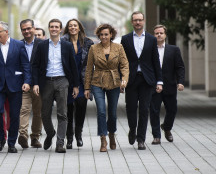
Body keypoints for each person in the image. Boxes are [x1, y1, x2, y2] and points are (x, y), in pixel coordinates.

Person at [32, 19, 79, 153]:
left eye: (56, 27)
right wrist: (35, 83)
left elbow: (73, 66)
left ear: (60, 29)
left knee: (62, 113)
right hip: (46, 82)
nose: (53, 29)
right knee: (45, 113)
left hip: (62, 81)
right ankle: (50, 132)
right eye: (51, 27)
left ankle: (60, 142)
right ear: (49, 28)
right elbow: (35, 65)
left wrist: (75, 85)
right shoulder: (41, 46)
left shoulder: (67, 45)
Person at [0, 21, 31, 153]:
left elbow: (26, 65)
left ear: (6, 32)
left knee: (14, 115)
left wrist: (27, 81)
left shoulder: (19, 44)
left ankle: (12, 142)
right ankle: (0, 140)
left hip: (15, 85)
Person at [120, 11, 163, 150]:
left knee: (144, 109)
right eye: (135, 20)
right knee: (131, 108)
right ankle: (132, 129)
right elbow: (122, 61)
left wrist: (159, 81)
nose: (138, 22)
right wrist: (121, 80)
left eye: (140, 20)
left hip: (147, 80)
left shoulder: (151, 39)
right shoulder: (125, 39)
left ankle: (141, 139)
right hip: (131, 79)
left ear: (143, 21)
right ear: (132, 22)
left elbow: (156, 61)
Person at [84, 24, 129, 152]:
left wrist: (124, 80)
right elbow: (88, 69)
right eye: (101, 35)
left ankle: (112, 134)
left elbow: (125, 65)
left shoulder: (118, 48)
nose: (103, 37)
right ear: (99, 35)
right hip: (97, 81)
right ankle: (103, 138)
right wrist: (87, 88)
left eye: (106, 34)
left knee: (113, 113)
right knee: (101, 111)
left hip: (114, 82)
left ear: (111, 35)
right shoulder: (93, 48)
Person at [150, 24, 185, 144]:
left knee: (172, 109)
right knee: (154, 111)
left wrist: (180, 82)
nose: (159, 35)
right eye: (156, 33)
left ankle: (167, 127)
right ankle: (156, 136)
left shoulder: (174, 50)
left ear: (165, 35)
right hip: (154, 86)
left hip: (170, 85)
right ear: (154, 35)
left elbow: (180, 67)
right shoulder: (149, 49)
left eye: (161, 33)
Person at [62, 18, 94, 149]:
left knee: (81, 106)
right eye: (70, 26)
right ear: (67, 28)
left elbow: (92, 63)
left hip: (82, 80)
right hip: (67, 80)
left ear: (79, 27)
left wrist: (90, 84)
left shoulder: (88, 43)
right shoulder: (63, 41)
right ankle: (69, 138)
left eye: (75, 25)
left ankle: (78, 134)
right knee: (68, 110)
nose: (73, 28)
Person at [17, 19, 43, 149]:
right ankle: (23, 135)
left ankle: (35, 137)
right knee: (24, 109)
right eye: (23, 29)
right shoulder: (17, 45)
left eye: (28, 28)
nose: (26, 31)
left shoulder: (43, 44)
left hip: (39, 85)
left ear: (33, 28)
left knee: (38, 112)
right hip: (24, 85)